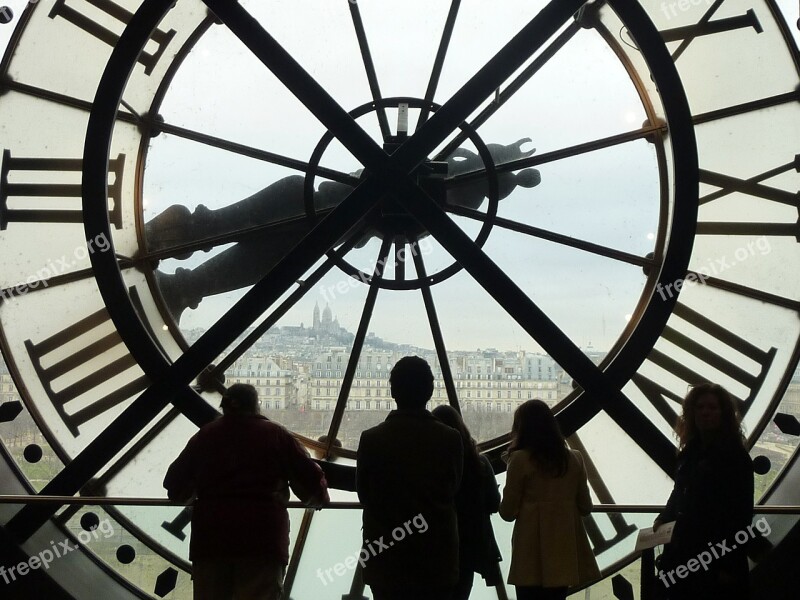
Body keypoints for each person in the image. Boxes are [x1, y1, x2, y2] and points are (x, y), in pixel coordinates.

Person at [163, 383, 329, 600]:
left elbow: (175, 485)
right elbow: (311, 483)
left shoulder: (205, 437)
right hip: (263, 541)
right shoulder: (276, 435)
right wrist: (317, 498)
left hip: (211, 541)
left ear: (224, 405)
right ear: (256, 405)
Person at [356, 356, 463, 600]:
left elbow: (365, 494)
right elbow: (452, 487)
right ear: (429, 391)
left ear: (393, 390)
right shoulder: (450, 438)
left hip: (387, 558)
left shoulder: (371, 439)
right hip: (436, 558)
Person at [653, 382, 754, 599]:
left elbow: (680, 492)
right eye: (701, 408)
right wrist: (729, 565)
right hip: (713, 559)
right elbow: (740, 516)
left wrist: (664, 519)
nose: (705, 413)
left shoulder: (689, 453)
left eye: (711, 408)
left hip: (686, 555)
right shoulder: (735, 457)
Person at [499, 399, 599, 600]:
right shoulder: (575, 459)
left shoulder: (519, 461)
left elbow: (507, 513)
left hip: (530, 554)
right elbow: (585, 507)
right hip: (564, 552)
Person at [432, 404, 502, 600]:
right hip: (469, 547)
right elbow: (493, 504)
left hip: (435, 546)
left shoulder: (430, 466)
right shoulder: (480, 464)